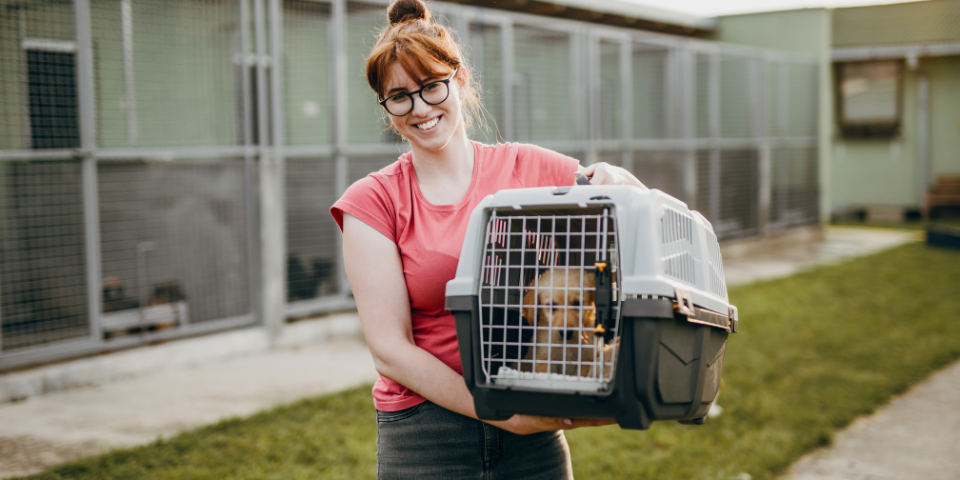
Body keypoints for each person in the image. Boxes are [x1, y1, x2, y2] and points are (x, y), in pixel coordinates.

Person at [330, 0, 646, 477]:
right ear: (386, 107)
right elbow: (389, 349)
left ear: (458, 81)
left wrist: (617, 178)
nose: (419, 108)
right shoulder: (373, 200)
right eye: (400, 96)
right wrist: (498, 411)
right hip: (426, 434)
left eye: (431, 86)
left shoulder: (525, 168)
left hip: (533, 418)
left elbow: (631, 203)